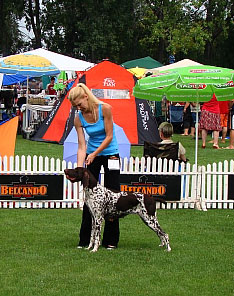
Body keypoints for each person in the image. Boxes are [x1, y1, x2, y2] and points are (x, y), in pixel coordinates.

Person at [68, 83, 120, 250]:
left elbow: (109, 136)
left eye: (79, 104)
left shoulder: (105, 109)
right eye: (75, 106)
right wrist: (78, 170)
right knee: (89, 196)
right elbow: (82, 146)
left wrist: (95, 153)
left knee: (113, 195)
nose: (78, 108)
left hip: (110, 153)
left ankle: (110, 240)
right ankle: (85, 240)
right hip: (92, 155)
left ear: (86, 97)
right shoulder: (78, 118)